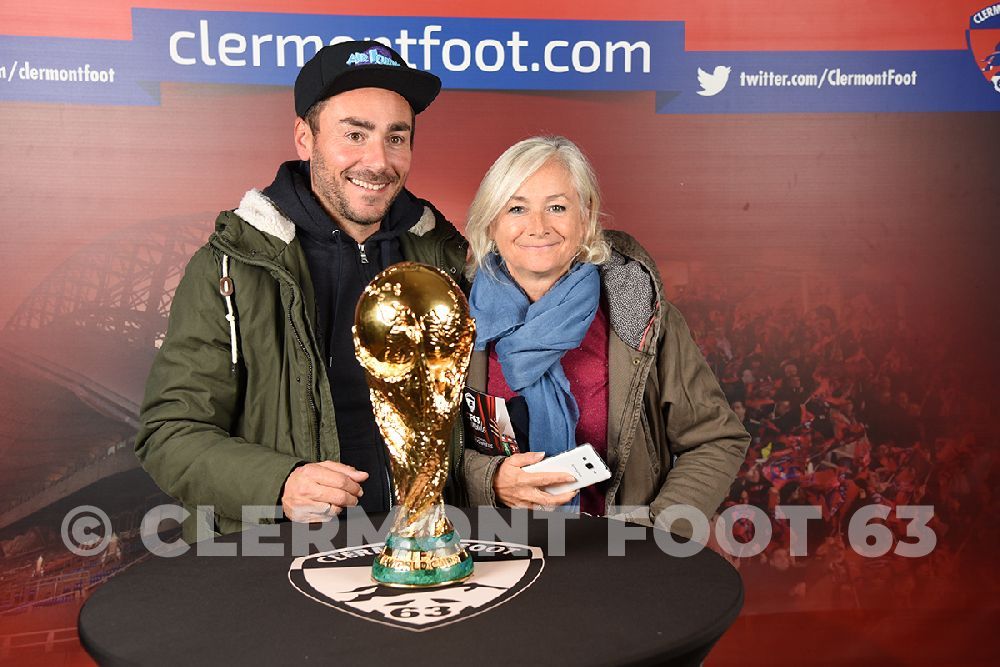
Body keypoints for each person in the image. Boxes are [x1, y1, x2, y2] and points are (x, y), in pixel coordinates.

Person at [136, 41, 468, 542]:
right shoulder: (232, 265)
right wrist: (279, 484)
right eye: (354, 134)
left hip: (430, 544)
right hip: (287, 556)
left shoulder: (444, 254)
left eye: (396, 138)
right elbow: (170, 433)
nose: (378, 161)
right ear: (304, 138)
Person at [459, 136, 749, 536]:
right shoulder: (453, 318)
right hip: (494, 557)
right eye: (517, 208)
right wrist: (488, 480)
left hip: (615, 561)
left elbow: (716, 440)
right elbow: (429, 454)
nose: (538, 227)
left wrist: (656, 533)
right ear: (492, 221)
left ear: (587, 216)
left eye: (557, 207)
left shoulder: (638, 315)